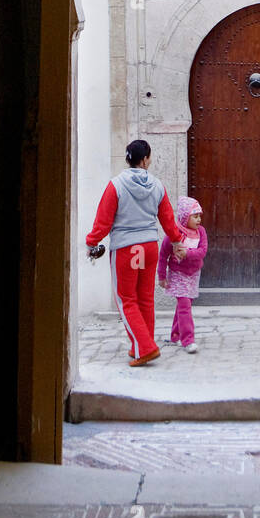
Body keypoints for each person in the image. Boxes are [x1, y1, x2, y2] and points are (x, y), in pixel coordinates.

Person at [86, 139, 186, 366]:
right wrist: (178, 241)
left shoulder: (116, 185)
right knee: (145, 299)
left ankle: (146, 347)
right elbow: (168, 220)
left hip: (125, 249)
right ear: (146, 159)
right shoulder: (158, 185)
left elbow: (103, 221)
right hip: (149, 247)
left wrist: (91, 242)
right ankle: (140, 345)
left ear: (128, 159)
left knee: (126, 300)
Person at [158, 196, 208, 353]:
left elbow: (202, 251)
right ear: (185, 216)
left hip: (193, 274)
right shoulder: (174, 235)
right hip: (178, 273)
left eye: (200, 216)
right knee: (184, 305)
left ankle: (175, 335)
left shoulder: (201, 232)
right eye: (195, 216)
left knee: (184, 305)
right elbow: (163, 255)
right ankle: (188, 340)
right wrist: (161, 277)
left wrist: (187, 253)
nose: (199, 219)